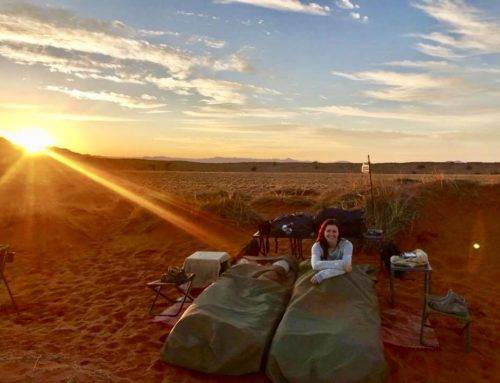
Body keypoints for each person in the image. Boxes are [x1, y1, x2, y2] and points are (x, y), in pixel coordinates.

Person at [311, 218, 353, 284]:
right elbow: (315, 265)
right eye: (328, 231)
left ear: (339, 233)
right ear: (323, 232)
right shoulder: (317, 246)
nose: (331, 234)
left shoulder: (347, 245)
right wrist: (342, 264)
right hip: (337, 273)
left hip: (338, 278)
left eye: (334, 231)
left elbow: (347, 267)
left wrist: (323, 274)